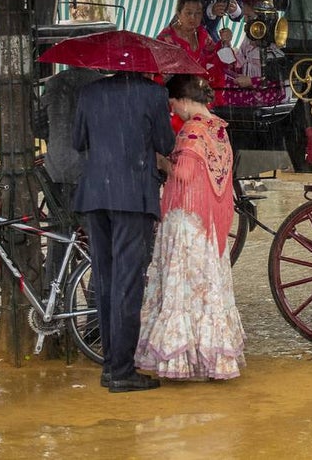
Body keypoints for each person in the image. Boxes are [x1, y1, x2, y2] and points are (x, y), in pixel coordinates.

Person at [135, 74, 245, 381]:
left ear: (183, 100)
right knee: (209, 286)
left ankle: (183, 357)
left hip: (187, 220)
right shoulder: (219, 128)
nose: (173, 112)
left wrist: (160, 161)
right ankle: (212, 357)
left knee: (182, 288)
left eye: (173, 105)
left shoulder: (193, 129)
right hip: (210, 224)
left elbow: (182, 172)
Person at [73, 70, 175, 392]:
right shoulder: (153, 93)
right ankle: (122, 370)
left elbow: (78, 142)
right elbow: (166, 143)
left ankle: (109, 365)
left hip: (96, 195)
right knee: (128, 284)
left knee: (104, 280)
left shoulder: (90, 92)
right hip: (132, 196)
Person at [34, 66, 104, 287]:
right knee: (98, 239)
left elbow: (37, 125)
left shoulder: (53, 83)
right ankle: (95, 301)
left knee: (59, 234)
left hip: (57, 169)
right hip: (89, 170)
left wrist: (55, 139)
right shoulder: (101, 85)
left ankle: (54, 293)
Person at [157, 0, 229, 105]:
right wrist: (195, 82)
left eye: (198, 13)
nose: (193, 17)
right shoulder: (166, 38)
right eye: (188, 13)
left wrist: (225, 42)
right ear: (178, 13)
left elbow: (215, 57)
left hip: (201, 94)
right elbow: (164, 74)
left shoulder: (202, 33)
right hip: (177, 97)